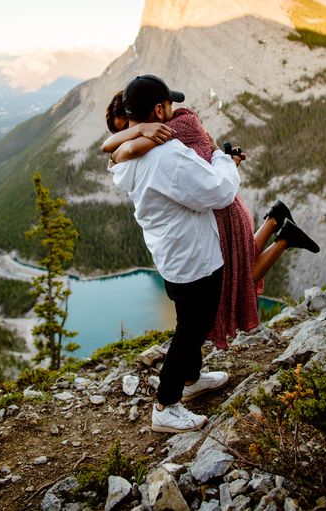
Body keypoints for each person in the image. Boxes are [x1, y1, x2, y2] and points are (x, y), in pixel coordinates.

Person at [103, 88, 320, 348]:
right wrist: (140, 131)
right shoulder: (177, 122)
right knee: (242, 263)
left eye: (128, 126)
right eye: (121, 132)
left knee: (241, 279)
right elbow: (117, 149)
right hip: (223, 209)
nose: (123, 136)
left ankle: (284, 238)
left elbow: (117, 152)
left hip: (221, 213)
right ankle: (274, 219)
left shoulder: (166, 133)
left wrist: (136, 136)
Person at [106, 74, 242, 434]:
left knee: (188, 319)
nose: (174, 109)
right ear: (158, 109)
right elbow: (219, 191)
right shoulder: (168, 154)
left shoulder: (128, 156)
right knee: (190, 331)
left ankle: (192, 379)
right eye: (169, 104)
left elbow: (115, 152)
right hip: (195, 255)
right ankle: (166, 405)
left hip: (171, 254)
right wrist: (220, 157)